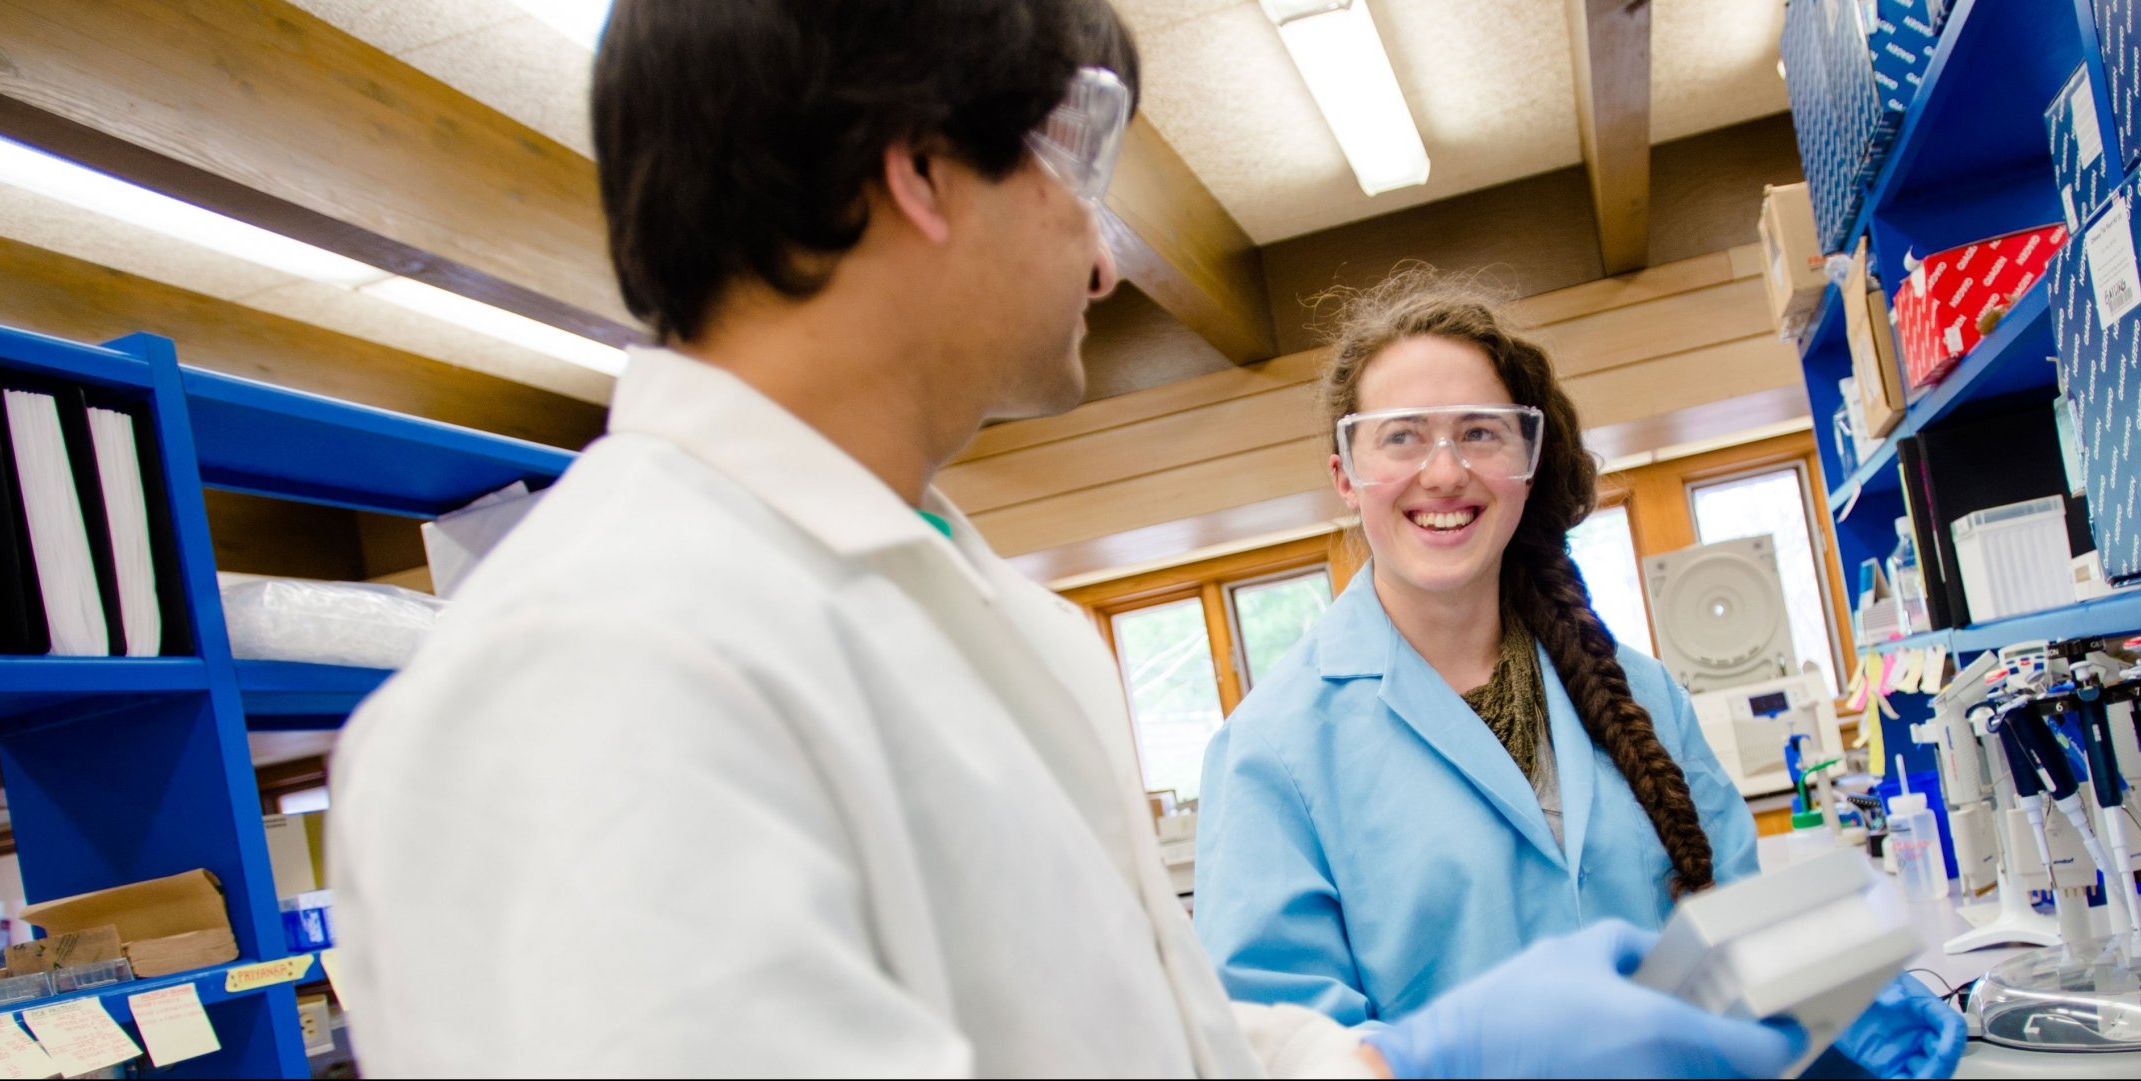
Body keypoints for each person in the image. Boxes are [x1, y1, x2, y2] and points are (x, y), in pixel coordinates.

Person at [330, 2, 1810, 1076]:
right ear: (918, 168)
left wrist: (1397, 1064)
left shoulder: (952, 609)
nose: (1104, 251)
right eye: (1072, 163)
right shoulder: (591, 673)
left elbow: (1142, 1041)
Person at [1190, 272, 1967, 1079]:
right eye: (1402, 436)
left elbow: (1737, 936)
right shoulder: (1270, 752)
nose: (1446, 470)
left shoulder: (1641, 693)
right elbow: (1281, 1053)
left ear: (1526, 462)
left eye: (1482, 432)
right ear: (1346, 475)